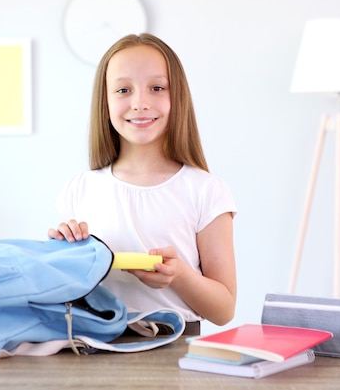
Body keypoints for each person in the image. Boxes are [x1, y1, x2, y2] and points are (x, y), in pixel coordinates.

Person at [48, 33, 237, 331]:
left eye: (157, 88)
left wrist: (180, 275)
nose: (140, 103)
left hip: (174, 352)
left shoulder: (206, 191)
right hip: (92, 347)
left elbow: (224, 310)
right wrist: (62, 253)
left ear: (178, 97)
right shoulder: (81, 189)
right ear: (105, 102)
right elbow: (64, 289)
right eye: (123, 89)